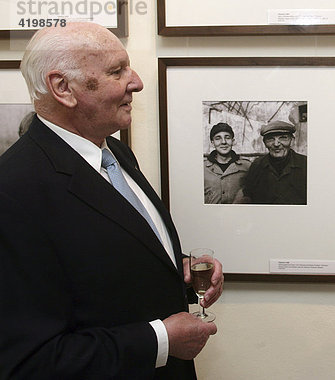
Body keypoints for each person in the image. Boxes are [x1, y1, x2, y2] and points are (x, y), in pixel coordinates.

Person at [0, 22, 224, 379]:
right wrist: (160, 341)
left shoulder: (114, 151)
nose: (136, 81)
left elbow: (101, 258)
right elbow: (27, 361)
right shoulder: (13, 192)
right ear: (63, 88)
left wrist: (177, 266)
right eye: (116, 71)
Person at [236, 120, 307, 204]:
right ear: (265, 143)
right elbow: (247, 194)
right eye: (270, 139)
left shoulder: (306, 164)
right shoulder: (257, 165)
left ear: (292, 141)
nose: (276, 144)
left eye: (283, 138)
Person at [204, 122, 251, 204]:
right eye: (218, 138)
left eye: (227, 137)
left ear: (233, 141)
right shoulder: (202, 168)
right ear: (212, 143)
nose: (223, 142)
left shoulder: (246, 166)